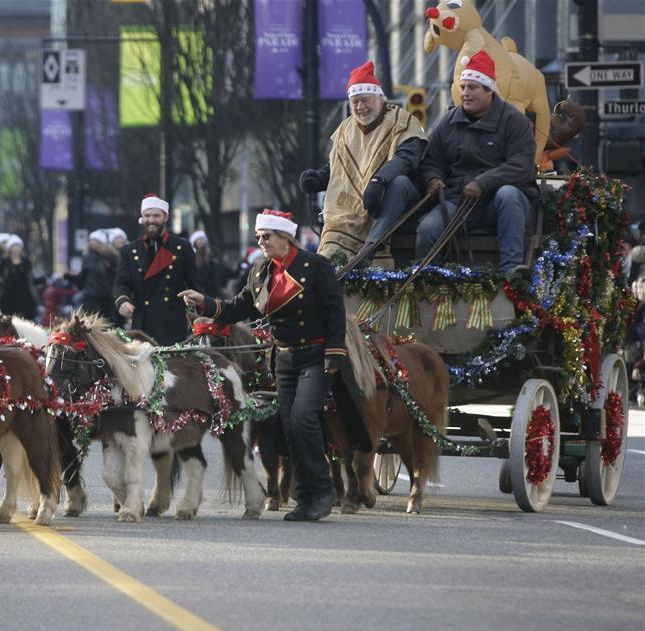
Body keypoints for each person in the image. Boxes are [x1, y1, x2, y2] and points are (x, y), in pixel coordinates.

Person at [179, 209, 371, 522]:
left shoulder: (315, 266)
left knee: (303, 418)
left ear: (285, 237)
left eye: (266, 236)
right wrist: (204, 302)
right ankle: (305, 497)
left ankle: (323, 492)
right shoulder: (260, 271)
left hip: (317, 354)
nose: (262, 242)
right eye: (259, 237)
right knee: (290, 427)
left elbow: (334, 311)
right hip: (283, 358)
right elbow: (237, 307)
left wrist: (335, 351)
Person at [415, 51, 538, 274]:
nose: (465, 93)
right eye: (463, 87)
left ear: (489, 89)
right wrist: (433, 178)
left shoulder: (514, 121)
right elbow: (432, 159)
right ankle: (427, 281)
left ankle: (512, 273)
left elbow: (521, 164)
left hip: (499, 203)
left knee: (508, 195)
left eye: (472, 88)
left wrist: (483, 183)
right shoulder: (449, 122)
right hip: (458, 201)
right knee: (428, 228)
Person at [300, 61, 426, 266]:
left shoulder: (403, 120)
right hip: (352, 206)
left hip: (398, 198)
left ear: (378, 96)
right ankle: (331, 268)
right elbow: (339, 166)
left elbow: (407, 159)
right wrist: (318, 178)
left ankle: (370, 250)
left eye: (364, 100)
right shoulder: (345, 128)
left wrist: (379, 180)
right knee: (330, 250)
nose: (360, 107)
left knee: (399, 182)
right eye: (355, 102)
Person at [114, 194, 203, 345]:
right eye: (147, 215)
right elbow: (121, 283)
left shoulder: (182, 247)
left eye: (156, 215)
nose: (151, 220)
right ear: (142, 217)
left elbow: (195, 284)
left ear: (165, 216)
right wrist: (122, 300)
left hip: (173, 323)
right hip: (142, 324)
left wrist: (197, 305)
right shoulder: (129, 251)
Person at [69, 230, 121, 324]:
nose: (92, 242)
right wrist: (70, 277)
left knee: (109, 323)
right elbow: (82, 278)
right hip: (91, 297)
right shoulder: (87, 258)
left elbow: (116, 276)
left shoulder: (112, 257)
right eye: (91, 240)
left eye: (95, 240)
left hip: (108, 298)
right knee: (92, 323)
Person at [0, 236, 38, 320]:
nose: (16, 248)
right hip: (8, 298)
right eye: (14, 246)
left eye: (18, 246)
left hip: (25, 296)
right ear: (10, 248)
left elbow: (32, 277)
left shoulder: (26, 262)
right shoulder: (4, 262)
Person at [190, 230, 226, 298]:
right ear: (195, 242)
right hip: (198, 292)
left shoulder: (211, 258)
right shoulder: (192, 259)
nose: (201, 241)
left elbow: (216, 277)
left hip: (212, 293)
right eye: (199, 239)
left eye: (202, 239)